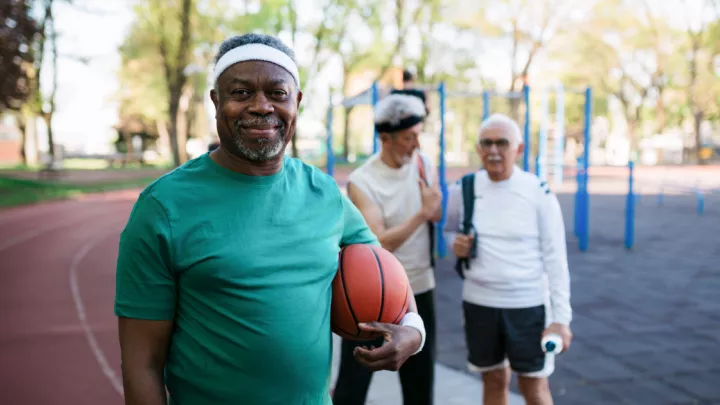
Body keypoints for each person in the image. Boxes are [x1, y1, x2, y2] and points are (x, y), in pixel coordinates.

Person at [114, 33, 427, 405]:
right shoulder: (163, 208)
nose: (261, 106)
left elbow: (386, 274)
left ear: (296, 102)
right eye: (241, 93)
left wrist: (413, 330)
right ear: (216, 101)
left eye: (277, 94)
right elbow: (142, 366)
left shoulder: (324, 194)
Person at [443, 113, 573, 405]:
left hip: (527, 306)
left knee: (534, 386)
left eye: (502, 143)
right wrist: (457, 245)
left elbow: (556, 259)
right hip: (479, 303)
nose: (493, 151)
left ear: (519, 149)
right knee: (493, 380)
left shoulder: (538, 192)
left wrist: (561, 319)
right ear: (477, 149)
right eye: (486, 143)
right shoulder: (461, 190)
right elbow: (450, 231)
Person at [332, 93, 442, 405]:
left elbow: (434, 212)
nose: (416, 145)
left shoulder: (424, 165)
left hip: (419, 287)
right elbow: (378, 242)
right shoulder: (363, 180)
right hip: (370, 295)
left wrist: (433, 212)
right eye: (409, 138)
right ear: (386, 138)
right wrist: (423, 213)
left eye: (418, 136)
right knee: (352, 389)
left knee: (420, 387)